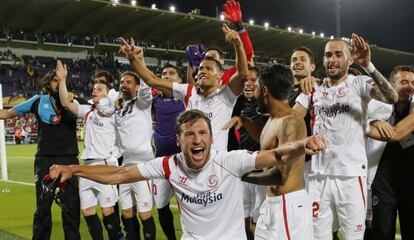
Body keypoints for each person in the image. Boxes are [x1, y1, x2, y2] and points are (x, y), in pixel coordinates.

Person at [49, 109, 326, 239]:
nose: (197, 140)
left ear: (211, 139)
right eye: (189, 134)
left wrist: (303, 144)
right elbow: (119, 174)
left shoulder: (228, 161)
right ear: (179, 140)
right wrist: (73, 169)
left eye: (203, 133)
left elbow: (275, 155)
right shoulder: (169, 165)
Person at [294, 33, 398, 240]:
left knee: (352, 237)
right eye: (327, 55)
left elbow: (391, 96)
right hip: (318, 177)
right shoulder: (313, 88)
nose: (331, 60)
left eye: (338, 55)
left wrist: (368, 65)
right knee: (317, 237)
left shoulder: (359, 83)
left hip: (350, 176)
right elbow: (290, 121)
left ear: (350, 59)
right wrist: (302, 141)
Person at [119, 22, 248, 151]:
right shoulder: (188, 91)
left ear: (220, 75)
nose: (203, 70)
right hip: (188, 163)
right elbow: (152, 80)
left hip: (216, 165)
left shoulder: (226, 95)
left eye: (209, 68)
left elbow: (242, 73)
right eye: (201, 68)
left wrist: (237, 43)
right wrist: (133, 59)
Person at [224, 64, 314, 239]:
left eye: (256, 85)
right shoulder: (274, 118)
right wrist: (246, 122)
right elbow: (269, 145)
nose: (253, 89)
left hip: (288, 206)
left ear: (264, 90)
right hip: (271, 203)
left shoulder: (291, 123)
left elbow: (280, 175)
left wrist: (240, 175)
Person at [0, 60, 81, 240]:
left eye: (61, 80)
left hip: (69, 160)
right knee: (43, 208)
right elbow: (6, 114)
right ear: (47, 83)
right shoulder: (37, 101)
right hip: (45, 160)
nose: (58, 82)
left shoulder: (72, 101)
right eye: (55, 80)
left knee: (71, 209)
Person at [56, 61, 123, 240]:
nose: (94, 90)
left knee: (108, 210)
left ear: (108, 93)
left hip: (105, 164)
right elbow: (65, 102)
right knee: (87, 211)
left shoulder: (115, 112)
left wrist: (110, 97)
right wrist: (62, 79)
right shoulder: (87, 111)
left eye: (99, 89)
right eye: (94, 88)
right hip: (86, 166)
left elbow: (119, 99)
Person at [366, 65, 414, 240]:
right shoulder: (376, 107)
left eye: (413, 82)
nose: (410, 86)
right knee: (382, 234)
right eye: (404, 82)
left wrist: (369, 124)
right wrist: (374, 119)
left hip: (411, 184)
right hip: (383, 184)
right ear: (392, 85)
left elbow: (395, 134)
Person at [114, 71, 156, 240]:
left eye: (129, 82)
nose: (124, 84)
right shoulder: (119, 108)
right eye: (122, 82)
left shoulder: (142, 103)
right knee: (127, 212)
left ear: (137, 86)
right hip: (125, 165)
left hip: (142, 165)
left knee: (144, 212)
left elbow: (147, 87)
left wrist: (137, 63)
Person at [151, 64, 185, 240]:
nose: (167, 76)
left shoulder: (186, 99)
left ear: (180, 80)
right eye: (164, 73)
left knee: (188, 204)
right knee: (161, 206)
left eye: (172, 73)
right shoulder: (154, 101)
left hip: (183, 161)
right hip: (161, 162)